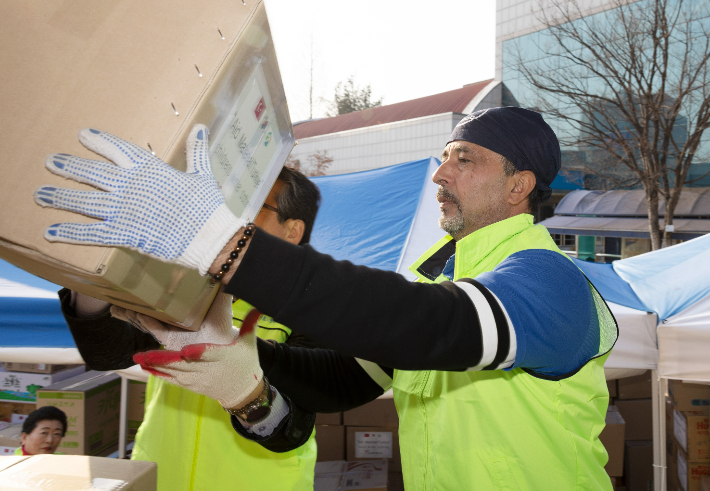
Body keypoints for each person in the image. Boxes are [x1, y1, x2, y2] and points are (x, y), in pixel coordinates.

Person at [36, 109, 619, 490]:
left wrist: (215, 239)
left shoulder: (553, 283)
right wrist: (241, 370)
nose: (440, 174)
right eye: (442, 157)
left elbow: (423, 323)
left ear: (520, 186)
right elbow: (341, 380)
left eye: (464, 159)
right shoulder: (438, 284)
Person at [57, 165, 324, 491]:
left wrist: (243, 390)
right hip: (163, 475)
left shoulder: (315, 304)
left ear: (292, 230)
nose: (230, 219)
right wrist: (92, 276)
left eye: (251, 207)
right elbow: (109, 354)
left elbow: (293, 425)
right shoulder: (189, 283)